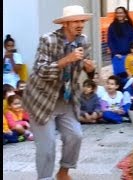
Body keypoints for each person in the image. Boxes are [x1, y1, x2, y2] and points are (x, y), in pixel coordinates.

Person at [22, 5, 95, 180]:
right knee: (47, 146)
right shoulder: (48, 40)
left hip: (66, 98)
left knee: (75, 136)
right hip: (41, 99)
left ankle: (63, 172)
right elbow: (41, 71)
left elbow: (88, 73)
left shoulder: (82, 41)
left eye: (82, 21)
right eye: (76, 21)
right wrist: (66, 60)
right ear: (66, 24)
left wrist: (90, 69)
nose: (80, 24)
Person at [108, 6, 133, 79]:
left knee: (130, 77)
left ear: (125, 14)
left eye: (121, 13)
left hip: (129, 55)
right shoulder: (112, 26)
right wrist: (115, 53)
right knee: (118, 78)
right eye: (117, 13)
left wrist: (132, 52)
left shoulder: (129, 25)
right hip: (117, 56)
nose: (119, 15)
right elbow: (110, 41)